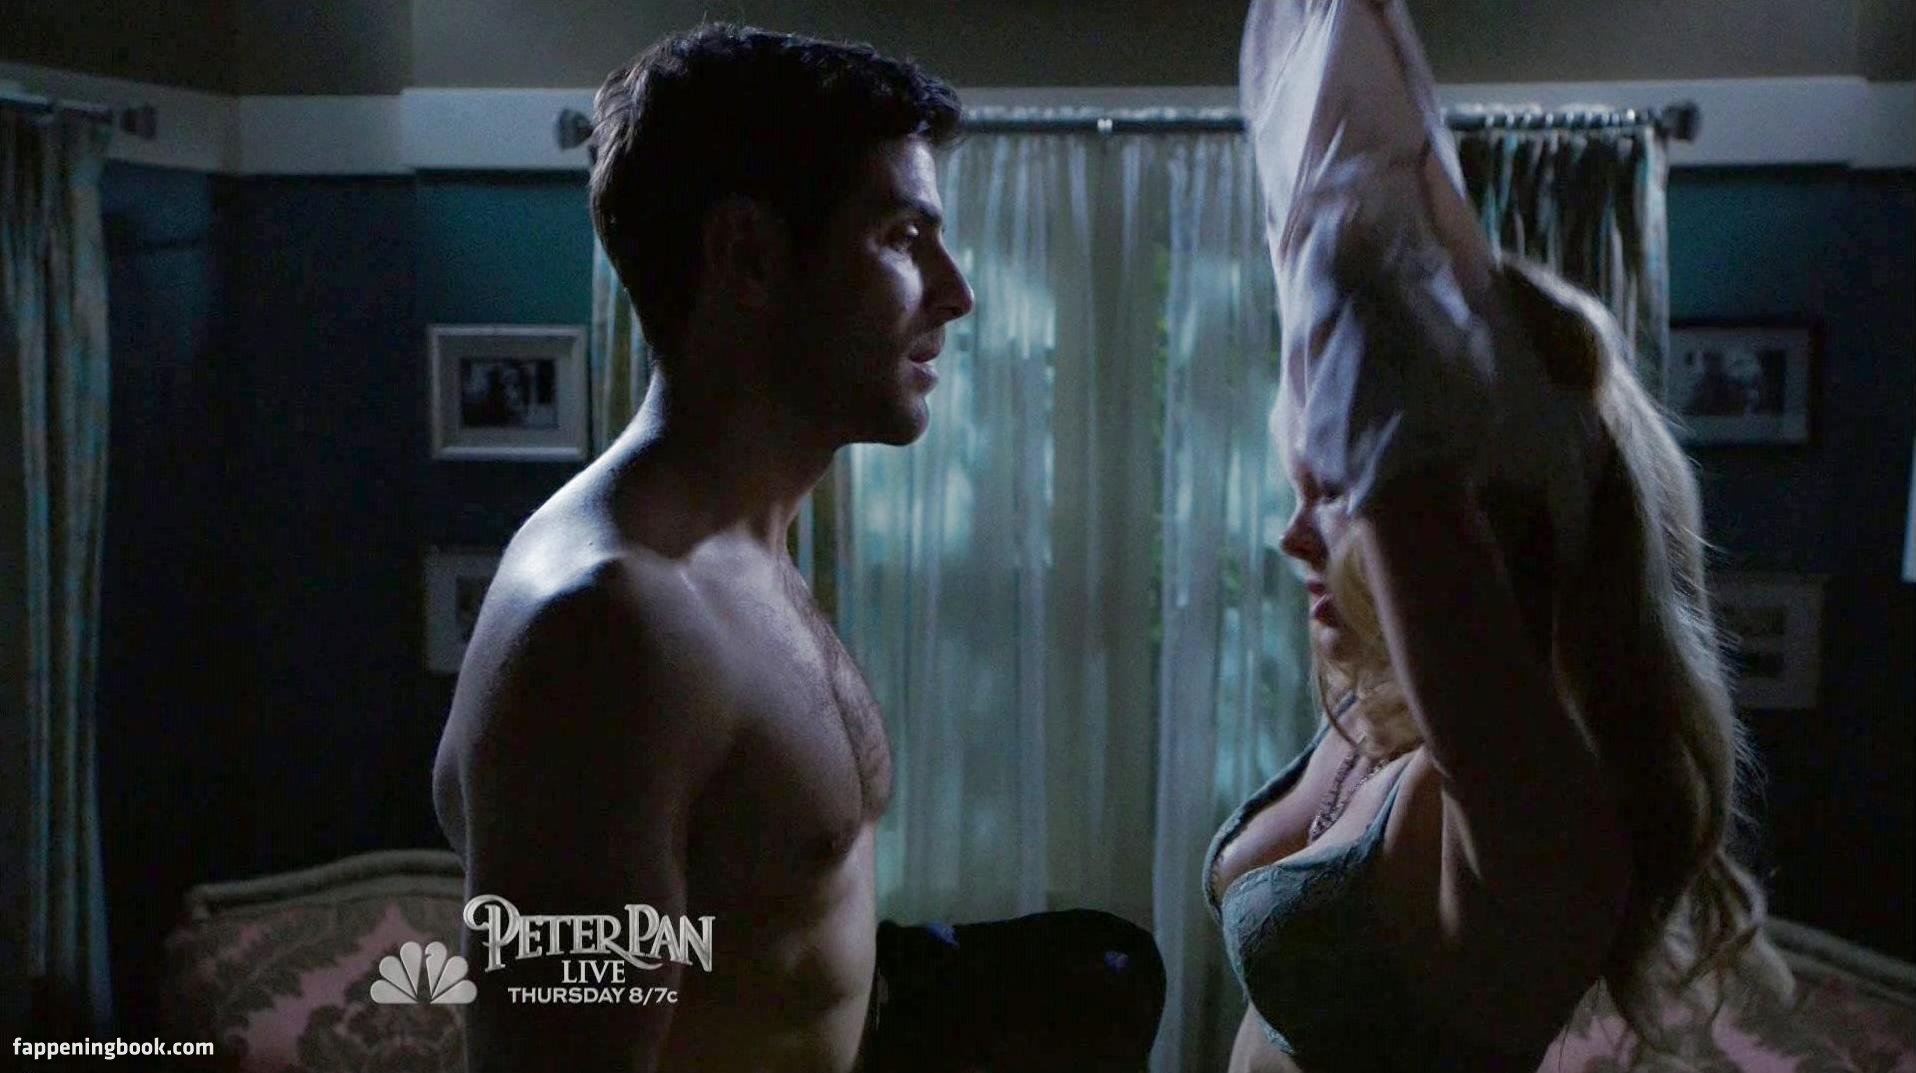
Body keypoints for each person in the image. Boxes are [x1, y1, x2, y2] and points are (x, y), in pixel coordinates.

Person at [433, 25, 1161, 1073]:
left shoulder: (737, 551)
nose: (955, 290)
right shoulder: (606, 629)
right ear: (750, 257)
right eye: (903, 236)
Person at [1210, 1, 1789, 1070]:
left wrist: (1352, 240)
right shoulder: (1378, 711)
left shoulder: (1549, 824)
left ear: (1470, 517)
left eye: (1334, 492)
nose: (1294, 536)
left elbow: (1395, 447)